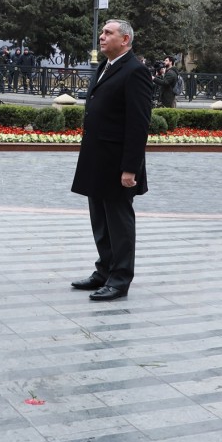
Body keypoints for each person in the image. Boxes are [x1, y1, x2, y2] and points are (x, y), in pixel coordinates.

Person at [69, 20, 152, 302]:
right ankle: (104, 270)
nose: (101, 37)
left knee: (119, 223)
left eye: (108, 33)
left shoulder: (135, 72)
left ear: (125, 39)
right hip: (97, 160)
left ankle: (120, 279)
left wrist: (131, 168)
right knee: (100, 221)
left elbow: (138, 124)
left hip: (118, 164)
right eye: (102, 32)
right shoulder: (105, 67)